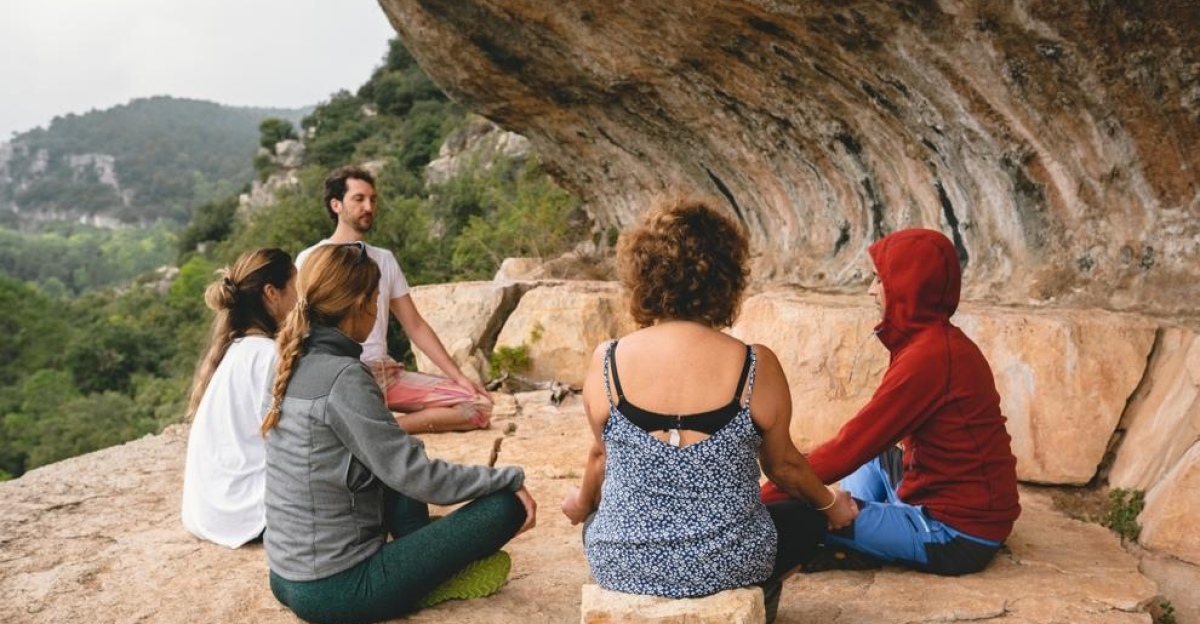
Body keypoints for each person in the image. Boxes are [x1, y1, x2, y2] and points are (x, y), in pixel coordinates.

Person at [560, 200, 857, 622]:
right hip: (730, 563)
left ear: (641, 275)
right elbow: (785, 467)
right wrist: (832, 505)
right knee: (806, 520)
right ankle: (758, 598)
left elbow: (601, 457)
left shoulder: (606, 361)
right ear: (726, 278)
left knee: (597, 518)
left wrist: (580, 502)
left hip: (623, 562)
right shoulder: (756, 366)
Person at [263, 241, 537, 624]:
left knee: (399, 447)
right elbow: (418, 477)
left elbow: (395, 461)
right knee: (505, 507)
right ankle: (429, 578)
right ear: (359, 302)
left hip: (286, 576)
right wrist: (508, 478)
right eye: (376, 300)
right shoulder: (344, 378)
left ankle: (417, 558)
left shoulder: (290, 362)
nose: (378, 311)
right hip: (338, 589)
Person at [762, 228, 1021, 575]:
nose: (871, 290)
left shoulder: (930, 357)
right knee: (873, 461)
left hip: (957, 534)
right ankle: (865, 530)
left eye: (879, 279)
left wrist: (772, 493)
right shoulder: (935, 342)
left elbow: (848, 449)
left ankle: (857, 530)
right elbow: (864, 448)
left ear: (909, 285)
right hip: (958, 507)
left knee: (798, 514)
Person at [296, 164, 491, 434]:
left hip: (386, 374)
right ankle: (375, 425)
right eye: (359, 199)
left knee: (478, 403)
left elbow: (415, 326)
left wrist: (458, 377)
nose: (368, 207)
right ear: (336, 205)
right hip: (341, 373)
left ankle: (387, 429)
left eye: (373, 200)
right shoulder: (312, 259)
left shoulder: (384, 259)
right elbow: (299, 323)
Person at [181, 248, 296, 548]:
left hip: (207, 511)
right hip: (243, 515)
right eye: (295, 286)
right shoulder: (268, 356)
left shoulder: (236, 349)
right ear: (272, 293)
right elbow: (289, 440)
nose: (300, 296)